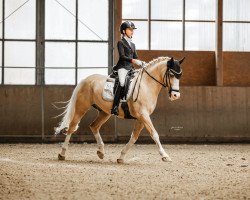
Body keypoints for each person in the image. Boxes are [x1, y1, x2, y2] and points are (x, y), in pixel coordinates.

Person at [111, 21, 144, 115]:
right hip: (122, 67)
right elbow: (122, 56)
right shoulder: (120, 42)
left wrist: (141, 62)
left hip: (130, 68)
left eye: (133, 30)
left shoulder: (133, 45)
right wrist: (134, 61)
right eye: (130, 29)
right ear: (124, 31)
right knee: (122, 82)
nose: (132, 31)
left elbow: (136, 57)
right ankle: (115, 106)